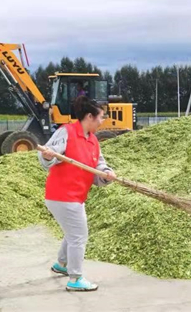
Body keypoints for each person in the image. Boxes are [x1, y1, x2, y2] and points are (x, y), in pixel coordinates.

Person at [38, 96, 117, 291]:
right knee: (79, 236)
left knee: (73, 233)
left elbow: (98, 167)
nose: (102, 121)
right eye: (101, 117)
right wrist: (47, 155)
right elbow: (47, 155)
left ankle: (61, 264)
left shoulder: (93, 141)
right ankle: (75, 279)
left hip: (76, 196)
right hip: (62, 196)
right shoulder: (67, 132)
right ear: (89, 116)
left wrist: (107, 175)